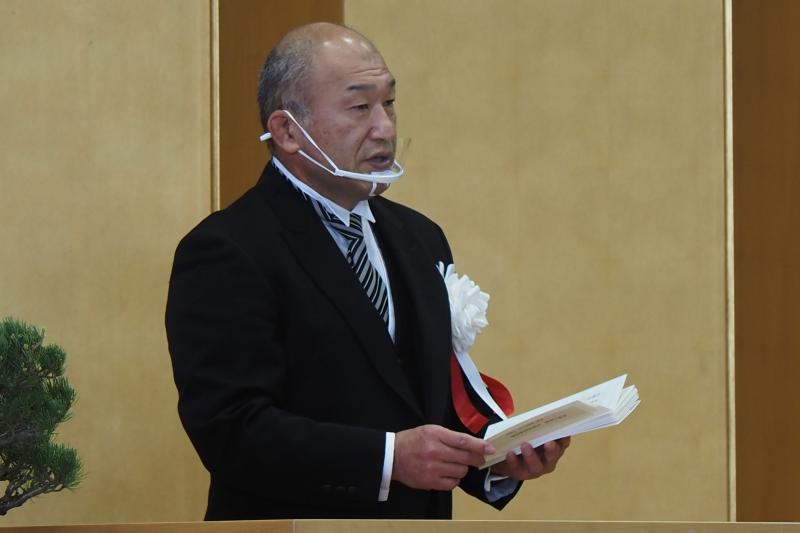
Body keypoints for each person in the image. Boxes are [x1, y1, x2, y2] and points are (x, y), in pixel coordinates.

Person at [165, 22, 569, 521]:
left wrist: (497, 456)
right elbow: (231, 429)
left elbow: (425, 404)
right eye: (360, 107)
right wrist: (388, 459)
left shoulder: (419, 237)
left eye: (389, 103)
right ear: (288, 131)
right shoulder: (227, 249)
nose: (385, 129)